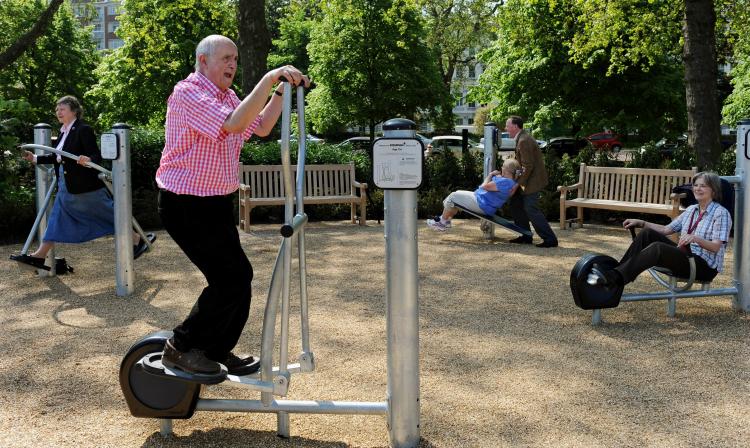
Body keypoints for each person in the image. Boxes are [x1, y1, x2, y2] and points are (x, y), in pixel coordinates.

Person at [156, 35, 309, 377]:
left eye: (235, 59)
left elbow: (263, 126)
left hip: (215, 203)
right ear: (202, 61)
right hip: (186, 203)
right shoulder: (189, 92)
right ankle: (181, 347)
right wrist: (270, 77)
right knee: (230, 278)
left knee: (239, 277)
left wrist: (282, 89)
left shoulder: (227, 97)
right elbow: (235, 125)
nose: (232, 65)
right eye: (225, 58)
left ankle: (214, 349)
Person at [10, 96, 152, 272]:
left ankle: (136, 239)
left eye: (62, 109)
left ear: (74, 111)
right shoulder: (63, 132)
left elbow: (95, 155)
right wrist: (36, 158)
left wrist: (88, 159)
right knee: (57, 219)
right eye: (57, 110)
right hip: (67, 185)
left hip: (85, 186)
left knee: (109, 214)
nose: (58, 112)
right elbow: (58, 156)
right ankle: (40, 255)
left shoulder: (83, 129)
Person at [593, 172, 732, 288]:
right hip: (685, 255)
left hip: (703, 266)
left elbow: (715, 247)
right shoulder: (691, 210)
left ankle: (615, 278)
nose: (697, 189)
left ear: (713, 190)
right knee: (647, 233)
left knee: (658, 248)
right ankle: (615, 272)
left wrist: (695, 238)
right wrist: (641, 222)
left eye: (703, 186)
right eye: (695, 185)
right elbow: (666, 229)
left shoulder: (721, 213)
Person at [505, 116, 558, 248]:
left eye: (508, 126)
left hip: (533, 181)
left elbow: (528, 166)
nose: (506, 129)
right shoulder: (522, 138)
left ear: (515, 127)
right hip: (528, 179)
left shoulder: (524, 140)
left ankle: (550, 239)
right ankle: (525, 235)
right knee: (515, 203)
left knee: (530, 208)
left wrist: (517, 184)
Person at [427, 158, 521, 231]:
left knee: (453, 196)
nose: (501, 168)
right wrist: (497, 178)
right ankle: (445, 220)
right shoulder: (511, 182)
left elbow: (484, 186)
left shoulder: (505, 182)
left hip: (481, 203)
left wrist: (490, 175)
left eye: (503, 167)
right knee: (456, 195)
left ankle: (442, 222)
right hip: (484, 204)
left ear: (505, 170)